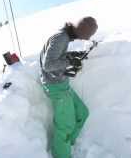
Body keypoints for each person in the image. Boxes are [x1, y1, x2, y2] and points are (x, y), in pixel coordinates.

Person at [39, 16, 98, 158]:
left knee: (82, 113)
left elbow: (57, 57)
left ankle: (65, 145)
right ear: (82, 31)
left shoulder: (65, 37)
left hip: (62, 84)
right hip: (55, 87)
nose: (85, 39)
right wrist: (69, 60)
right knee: (65, 125)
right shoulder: (61, 38)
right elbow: (48, 65)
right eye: (87, 36)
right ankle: (61, 153)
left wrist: (73, 55)